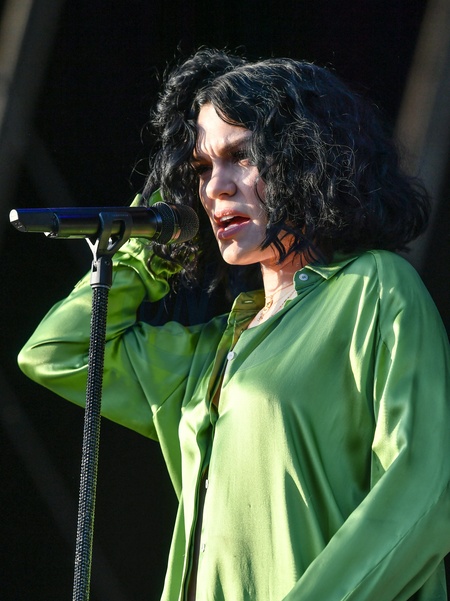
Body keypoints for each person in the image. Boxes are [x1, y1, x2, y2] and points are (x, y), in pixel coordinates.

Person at [18, 49, 450, 601]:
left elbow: (423, 488)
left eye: (240, 156)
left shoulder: (375, 288)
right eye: (200, 168)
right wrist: (152, 241)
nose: (214, 188)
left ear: (306, 158)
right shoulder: (215, 354)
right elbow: (58, 352)